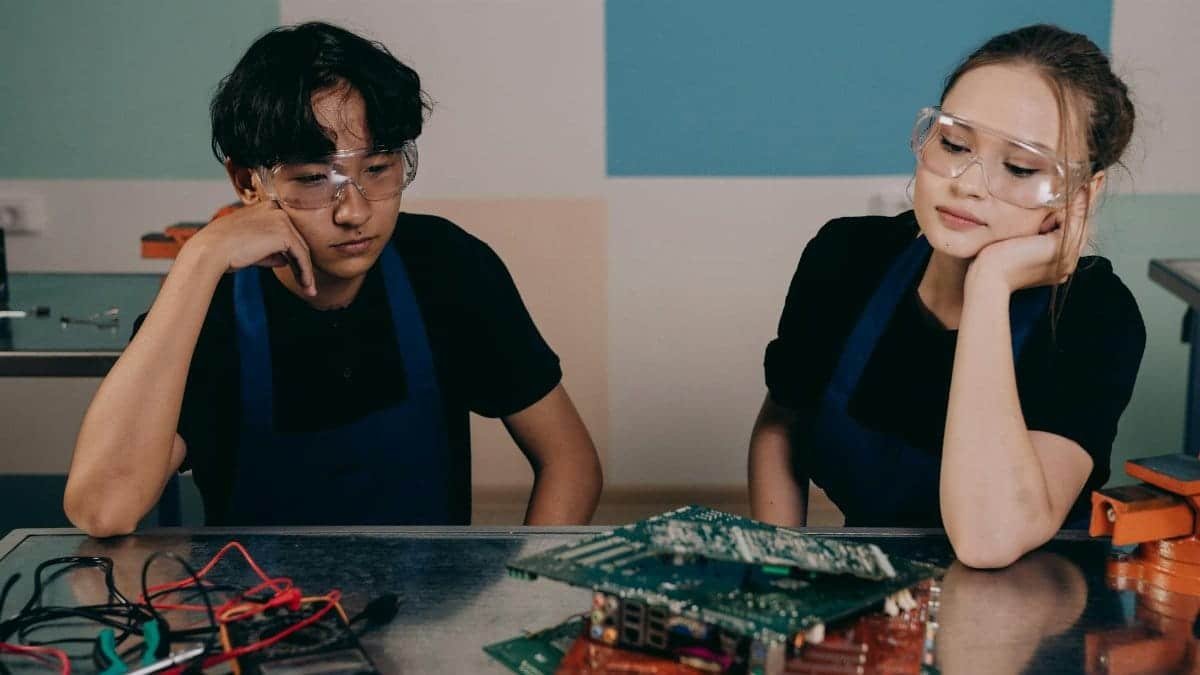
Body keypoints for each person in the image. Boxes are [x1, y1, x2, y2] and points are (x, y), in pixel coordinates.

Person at [64, 22, 602, 535]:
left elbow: (570, 462)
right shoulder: (212, 310)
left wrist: (525, 596)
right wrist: (200, 259)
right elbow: (103, 509)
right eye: (315, 179)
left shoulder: (448, 266)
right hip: (256, 621)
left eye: (378, 169)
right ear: (248, 182)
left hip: (429, 619)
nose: (354, 212)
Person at [748, 24, 1144, 568]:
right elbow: (782, 426)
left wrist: (990, 284)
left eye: (1021, 167)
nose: (968, 182)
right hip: (873, 593)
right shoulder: (845, 257)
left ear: (1082, 194)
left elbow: (989, 540)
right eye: (954, 144)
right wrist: (779, 567)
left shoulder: (1097, 317)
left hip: (1028, 619)